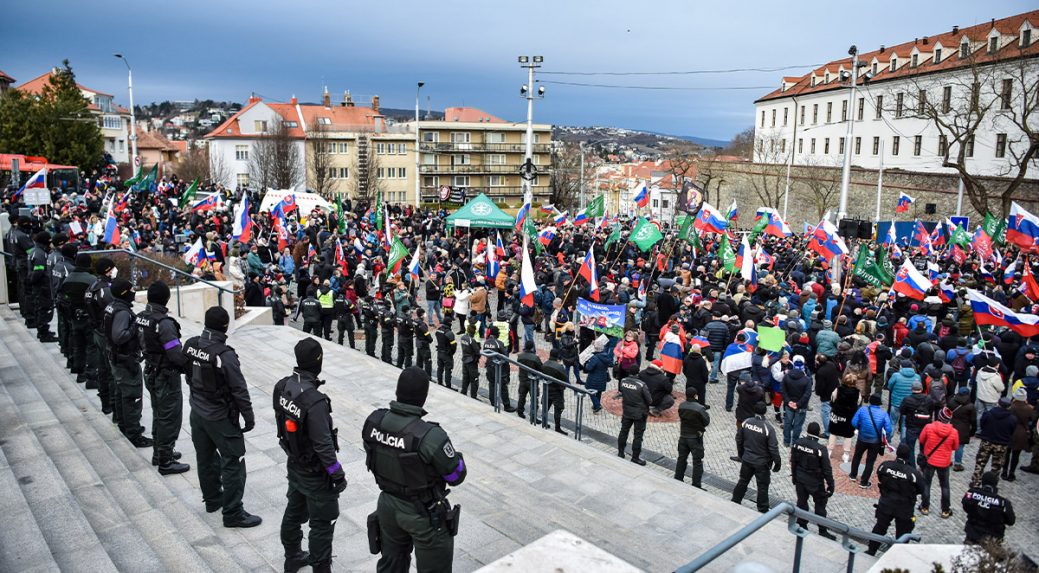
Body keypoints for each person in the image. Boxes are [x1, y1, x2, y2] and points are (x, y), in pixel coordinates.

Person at [363, 367, 466, 573]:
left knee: (391, 566)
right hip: (423, 514)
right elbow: (456, 475)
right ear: (424, 397)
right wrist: (458, 458)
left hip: (387, 505)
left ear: (397, 392)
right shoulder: (430, 436)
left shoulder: (374, 421)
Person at [183, 306, 262, 528]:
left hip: (197, 411)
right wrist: (249, 416)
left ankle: (212, 500)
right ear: (225, 326)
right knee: (233, 461)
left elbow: (183, 367)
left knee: (205, 457)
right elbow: (239, 389)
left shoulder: (191, 344)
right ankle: (233, 512)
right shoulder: (224, 355)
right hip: (220, 416)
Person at [274, 338, 346, 573]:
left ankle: (292, 556)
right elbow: (323, 445)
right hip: (315, 472)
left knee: (294, 509)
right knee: (321, 523)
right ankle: (320, 568)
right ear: (318, 361)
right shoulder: (315, 401)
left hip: (295, 463)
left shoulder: (282, 385)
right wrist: (337, 475)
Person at [137, 281, 190, 475]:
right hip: (165, 376)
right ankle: (165, 461)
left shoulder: (142, 317)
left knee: (159, 413)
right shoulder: (164, 323)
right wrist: (190, 365)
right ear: (166, 298)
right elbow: (175, 354)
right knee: (169, 416)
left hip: (150, 370)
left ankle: (159, 452)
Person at [104, 278, 152, 447]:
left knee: (120, 392)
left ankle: (124, 424)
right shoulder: (123, 312)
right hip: (125, 360)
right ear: (124, 293)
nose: (133, 292)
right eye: (131, 290)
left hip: (117, 358)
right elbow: (119, 336)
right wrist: (135, 325)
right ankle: (133, 433)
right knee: (131, 396)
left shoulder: (113, 306)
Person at [866, 443, 925, 556]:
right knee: (903, 534)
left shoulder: (885, 466)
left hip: (886, 503)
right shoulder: (913, 474)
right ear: (908, 456)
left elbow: (880, 476)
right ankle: (898, 556)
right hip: (904, 507)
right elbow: (921, 489)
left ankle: (871, 550)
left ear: (897, 453)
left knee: (880, 527)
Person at [731, 402, 782, 513]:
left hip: (747, 459)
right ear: (765, 412)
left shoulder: (746, 423)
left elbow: (738, 439)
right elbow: (773, 448)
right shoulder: (768, 428)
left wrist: (741, 454)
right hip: (762, 463)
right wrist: (777, 462)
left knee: (743, 481)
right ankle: (763, 509)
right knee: (762, 487)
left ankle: (735, 500)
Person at [789, 422, 836, 540]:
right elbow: (827, 469)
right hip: (815, 482)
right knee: (820, 505)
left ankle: (802, 524)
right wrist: (831, 485)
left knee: (802, 502)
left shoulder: (797, 444)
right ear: (817, 433)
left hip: (800, 479)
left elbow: (793, 462)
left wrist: (794, 477)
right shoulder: (820, 449)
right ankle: (822, 530)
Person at [85, 258, 116, 414]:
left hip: (97, 331)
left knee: (103, 369)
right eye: (112, 268)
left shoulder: (93, 286)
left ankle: (106, 401)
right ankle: (111, 402)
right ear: (107, 270)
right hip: (104, 333)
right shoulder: (104, 289)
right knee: (109, 370)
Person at [917, 407, 959, 518]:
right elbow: (955, 446)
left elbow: (921, 439)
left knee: (926, 484)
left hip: (929, 460)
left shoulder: (929, 427)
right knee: (945, 486)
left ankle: (925, 506)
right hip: (944, 462)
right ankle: (945, 510)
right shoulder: (954, 432)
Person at [60, 253, 96, 383]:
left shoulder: (67, 279)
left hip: (74, 317)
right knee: (91, 347)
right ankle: (91, 375)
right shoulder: (92, 280)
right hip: (88, 317)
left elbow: (62, 298)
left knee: (78, 345)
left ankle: (80, 372)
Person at [971, 396, 1017, 486]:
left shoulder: (988, 414)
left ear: (998, 404)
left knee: (980, 463)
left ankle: (976, 482)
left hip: (987, 442)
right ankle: (991, 485)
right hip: (1001, 444)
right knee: (996, 466)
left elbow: (982, 424)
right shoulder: (1012, 419)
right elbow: (1012, 431)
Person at [850, 394, 893, 489]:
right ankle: (864, 481)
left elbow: (853, 422)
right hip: (875, 442)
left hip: (862, 438)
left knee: (857, 456)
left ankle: (853, 475)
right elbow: (889, 430)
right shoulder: (883, 414)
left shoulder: (862, 410)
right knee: (870, 461)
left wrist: (860, 428)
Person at [962, 471, 1016, 545]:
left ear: (982, 482)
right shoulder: (1003, 503)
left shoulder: (972, 493)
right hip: (992, 541)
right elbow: (1011, 521)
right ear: (996, 484)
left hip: (972, 535)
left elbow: (965, 506)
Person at [675, 386, 710, 488]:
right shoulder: (700, 408)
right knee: (697, 462)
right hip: (695, 437)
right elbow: (706, 421)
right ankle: (696, 484)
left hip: (683, 435)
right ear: (695, 396)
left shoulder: (681, 406)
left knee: (681, 458)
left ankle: (678, 478)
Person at [27, 231, 57, 342]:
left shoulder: (36, 251)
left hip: (40, 286)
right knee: (42, 309)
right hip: (41, 287)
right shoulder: (40, 254)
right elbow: (38, 272)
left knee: (42, 308)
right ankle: (43, 334)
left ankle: (44, 330)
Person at [616, 374, 652, 466]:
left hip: (627, 411)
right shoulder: (641, 384)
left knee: (623, 431)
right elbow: (649, 400)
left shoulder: (623, 381)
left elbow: (621, 391)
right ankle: (635, 457)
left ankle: (620, 452)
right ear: (637, 373)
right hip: (639, 414)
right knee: (638, 436)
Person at [899, 381, 934, 469]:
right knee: (924, 448)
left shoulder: (907, 399)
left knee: (910, 448)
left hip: (911, 426)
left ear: (912, 389)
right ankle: (923, 465)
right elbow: (931, 411)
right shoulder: (929, 399)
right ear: (921, 389)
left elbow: (902, 411)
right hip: (925, 426)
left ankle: (912, 467)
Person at [781, 355, 813, 447]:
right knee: (798, 425)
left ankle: (786, 441)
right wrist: (798, 404)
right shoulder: (806, 380)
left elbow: (783, 390)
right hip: (801, 406)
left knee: (787, 423)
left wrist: (788, 401)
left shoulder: (786, 377)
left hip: (789, 405)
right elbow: (807, 394)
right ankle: (795, 442)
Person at [1003, 387, 1034, 481]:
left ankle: (1004, 471)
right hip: (1021, 433)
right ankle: (1011, 473)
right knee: (1016, 455)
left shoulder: (1010, 406)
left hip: (1009, 431)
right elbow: (1031, 421)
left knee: (1006, 453)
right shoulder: (1030, 408)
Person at [482, 325, 514, 411]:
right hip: (498, 368)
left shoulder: (486, 342)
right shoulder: (499, 343)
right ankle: (507, 406)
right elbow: (506, 357)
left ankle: (493, 402)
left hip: (489, 366)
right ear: (496, 334)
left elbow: (485, 352)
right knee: (503, 387)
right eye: (499, 332)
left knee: (492, 384)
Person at [948, 386, 977, 472]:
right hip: (963, 429)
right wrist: (972, 431)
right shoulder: (970, 406)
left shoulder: (951, 401)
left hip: (951, 426)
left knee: (948, 444)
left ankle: (947, 460)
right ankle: (957, 464)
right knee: (959, 447)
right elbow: (973, 420)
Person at [583, 337, 615, 414]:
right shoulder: (606, 356)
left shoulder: (594, 358)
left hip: (593, 378)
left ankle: (597, 405)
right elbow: (611, 363)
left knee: (590, 391)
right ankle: (595, 406)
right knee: (599, 392)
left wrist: (587, 363)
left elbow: (588, 368)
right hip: (602, 378)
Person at [541, 350, 569, 435]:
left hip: (547, 389)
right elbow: (565, 380)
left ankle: (544, 422)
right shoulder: (559, 367)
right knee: (558, 409)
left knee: (545, 407)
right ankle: (557, 427)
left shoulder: (545, 364)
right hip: (557, 391)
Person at [516, 340, 542, 419]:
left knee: (522, 396)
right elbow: (540, 368)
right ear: (532, 347)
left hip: (523, 379)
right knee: (534, 399)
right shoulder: (535, 358)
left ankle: (520, 412)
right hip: (532, 381)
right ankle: (533, 416)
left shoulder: (520, 356)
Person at [682, 344, 710, 409]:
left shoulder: (686, 358)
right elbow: (704, 373)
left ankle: (688, 406)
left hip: (690, 381)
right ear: (699, 351)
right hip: (700, 382)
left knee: (689, 394)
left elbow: (684, 370)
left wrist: (688, 376)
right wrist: (705, 381)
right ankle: (701, 406)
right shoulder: (701, 361)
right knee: (701, 395)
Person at [459, 322, 481, 399]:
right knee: (474, 380)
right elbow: (477, 352)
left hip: (464, 360)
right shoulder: (472, 340)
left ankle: (463, 392)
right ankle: (473, 396)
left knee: (465, 378)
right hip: (472, 362)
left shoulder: (463, 337)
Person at [434, 317, 456, 389]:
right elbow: (453, 346)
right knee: (448, 370)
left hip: (439, 352)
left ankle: (439, 382)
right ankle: (448, 386)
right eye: (451, 322)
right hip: (446, 354)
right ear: (449, 323)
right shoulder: (449, 333)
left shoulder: (438, 330)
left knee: (440, 368)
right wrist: (451, 353)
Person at [414, 308, 433, 378]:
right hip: (424, 344)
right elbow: (427, 334)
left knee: (419, 360)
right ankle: (428, 377)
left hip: (418, 343)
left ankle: (418, 375)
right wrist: (431, 340)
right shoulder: (422, 324)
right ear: (421, 315)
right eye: (424, 313)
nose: (425, 315)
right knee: (428, 361)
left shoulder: (415, 321)